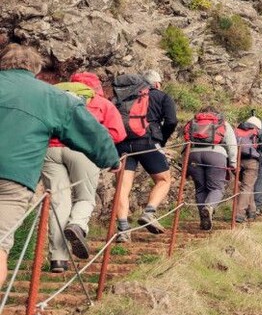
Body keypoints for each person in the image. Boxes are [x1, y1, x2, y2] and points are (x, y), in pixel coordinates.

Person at [0, 45, 119, 285]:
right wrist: (110, 159)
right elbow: (94, 132)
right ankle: (73, 230)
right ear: (35, 69)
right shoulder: (51, 96)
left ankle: (58, 256)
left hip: (48, 157)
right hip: (13, 178)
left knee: (59, 201)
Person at [42, 73, 126, 273]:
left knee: (58, 203)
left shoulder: (53, 98)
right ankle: (78, 225)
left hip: (49, 151)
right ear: (95, 87)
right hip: (83, 151)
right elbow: (118, 133)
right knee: (85, 197)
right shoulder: (100, 103)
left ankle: (58, 260)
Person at [113, 70, 178, 241]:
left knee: (123, 187)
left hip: (122, 143)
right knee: (164, 179)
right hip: (148, 142)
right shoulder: (162, 96)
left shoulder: (123, 97)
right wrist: (161, 139)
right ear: (156, 83)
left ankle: (123, 229)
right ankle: (149, 213)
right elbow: (171, 121)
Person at [185, 107, 237, 230]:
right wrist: (233, 163)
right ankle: (208, 207)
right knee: (216, 188)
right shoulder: (221, 122)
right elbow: (232, 144)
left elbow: (186, 142)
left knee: (200, 189)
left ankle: (204, 219)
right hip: (216, 154)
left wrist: (186, 163)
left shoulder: (193, 122)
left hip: (193, 155)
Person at [233, 116, 262, 222]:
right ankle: (239, 213)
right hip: (251, 161)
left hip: (237, 160)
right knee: (247, 187)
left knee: (246, 186)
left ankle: (252, 211)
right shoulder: (258, 132)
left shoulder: (236, 130)